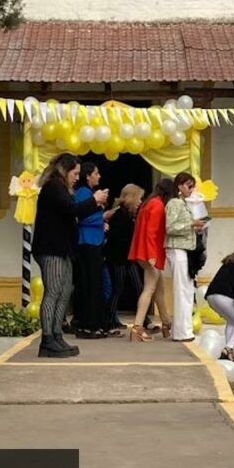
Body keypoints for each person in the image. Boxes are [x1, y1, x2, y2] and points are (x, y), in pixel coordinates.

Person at [32, 153, 108, 358]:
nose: (77, 177)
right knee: (53, 291)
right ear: (64, 171)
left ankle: (57, 335)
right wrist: (94, 201)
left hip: (63, 247)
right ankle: (48, 339)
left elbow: (71, 211)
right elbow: (70, 209)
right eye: (75, 173)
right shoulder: (53, 187)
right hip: (51, 248)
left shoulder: (64, 189)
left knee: (65, 291)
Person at [72, 163, 115, 339]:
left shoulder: (87, 193)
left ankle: (94, 323)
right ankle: (87, 325)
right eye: (96, 173)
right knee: (90, 284)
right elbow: (81, 217)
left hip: (93, 241)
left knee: (95, 284)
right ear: (87, 176)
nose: (99, 177)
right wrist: (102, 216)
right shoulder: (83, 192)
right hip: (87, 242)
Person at [128, 178, 173, 342]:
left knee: (159, 289)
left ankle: (166, 323)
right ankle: (138, 327)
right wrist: (153, 256)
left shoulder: (149, 202)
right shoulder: (158, 205)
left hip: (144, 251)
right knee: (149, 289)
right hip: (150, 253)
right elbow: (152, 232)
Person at [164, 172, 205, 342]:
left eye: (192, 186)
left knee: (187, 290)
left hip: (185, 248)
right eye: (188, 185)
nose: (191, 189)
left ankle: (181, 329)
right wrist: (191, 224)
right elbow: (170, 227)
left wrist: (195, 228)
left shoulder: (182, 204)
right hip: (177, 249)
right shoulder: (174, 203)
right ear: (179, 186)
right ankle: (182, 331)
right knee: (182, 291)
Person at [104, 184, 146, 330]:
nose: (140, 202)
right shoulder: (119, 214)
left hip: (128, 259)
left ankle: (144, 318)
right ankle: (109, 319)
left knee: (139, 287)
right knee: (118, 289)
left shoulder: (129, 214)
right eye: (139, 198)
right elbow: (117, 240)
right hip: (120, 259)